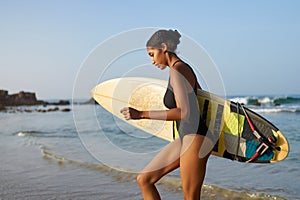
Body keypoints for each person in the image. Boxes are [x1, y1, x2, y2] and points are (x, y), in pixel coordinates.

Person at [120, 29, 213, 200]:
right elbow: (201, 98)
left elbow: (184, 112)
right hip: (187, 137)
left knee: (190, 197)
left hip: (195, 138)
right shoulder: (180, 69)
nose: (152, 60)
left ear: (163, 47)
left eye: (152, 54)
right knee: (145, 179)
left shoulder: (178, 70)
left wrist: (141, 114)